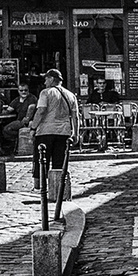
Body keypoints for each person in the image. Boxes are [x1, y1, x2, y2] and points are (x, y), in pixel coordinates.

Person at [32, 68, 82, 196]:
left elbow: (41, 110)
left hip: (45, 131)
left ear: (51, 79)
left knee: (41, 160)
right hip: (64, 132)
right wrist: (75, 133)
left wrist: (33, 127)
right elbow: (76, 116)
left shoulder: (46, 93)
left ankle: (38, 187)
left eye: (46, 79)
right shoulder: (71, 95)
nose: (44, 82)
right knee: (59, 162)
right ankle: (58, 188)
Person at [0, 82, 37, 151]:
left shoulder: (32, 98)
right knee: (5, 129)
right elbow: (8, 110)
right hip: (19, 120)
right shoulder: (17, 100)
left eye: (25, 90)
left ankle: (19, 141)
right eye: (21, 90)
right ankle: (18, 139)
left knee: (9, 129)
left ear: (28, 90)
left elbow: (31, 109)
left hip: (30, 121)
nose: (23, 92)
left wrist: (27, 119)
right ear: (18, 91)